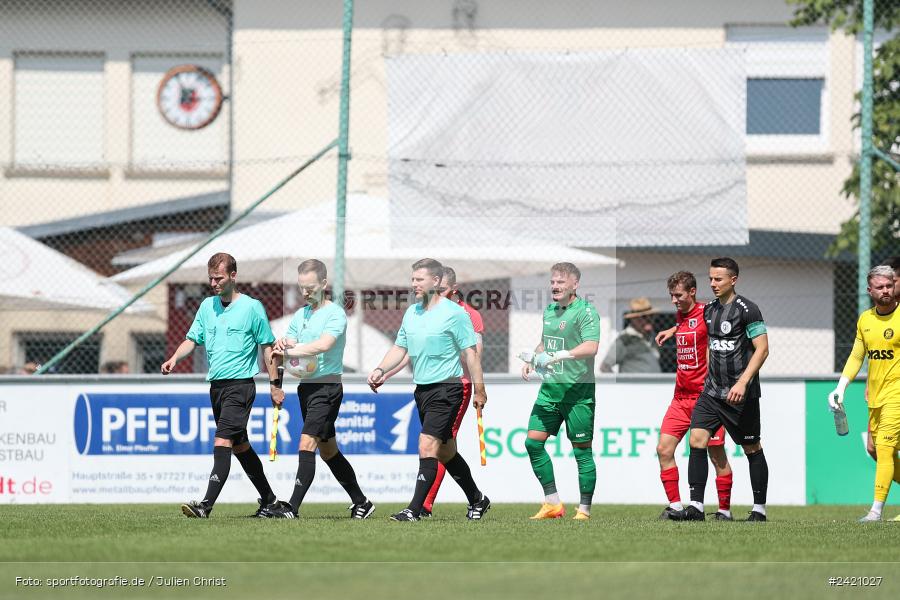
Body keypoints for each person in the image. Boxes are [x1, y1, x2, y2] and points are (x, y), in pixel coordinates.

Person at [161, 252, 285, 519]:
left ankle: (205, 505)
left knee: (223, 439)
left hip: (240, 386)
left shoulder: (252, 307)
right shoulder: (207, 307)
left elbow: (267, 348)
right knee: (241, 447)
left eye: (218, 278)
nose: (214, 283)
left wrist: (275, 384)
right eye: (210, 278)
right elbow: (192, 339)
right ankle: (270, 501)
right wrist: (173, 358)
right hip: (216, 387)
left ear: (233, 276)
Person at [368, 258, 490, 522]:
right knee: (445, 452)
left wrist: (479, 390)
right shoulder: (411, 312)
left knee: (427, 445)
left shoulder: (455, 314)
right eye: (412, 279)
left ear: (436, 281)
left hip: (448, 390)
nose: (414, 284)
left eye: (419, 279)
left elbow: (471, 354)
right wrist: (380, 370)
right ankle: (477, 498)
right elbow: (400, 348)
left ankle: (414, 509)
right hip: (422, 390)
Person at [266, 259, 374, 519]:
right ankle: (362, 502)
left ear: (324, 284)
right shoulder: (301, 315)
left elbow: (324, 344)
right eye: (301, 287)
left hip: (327, 388)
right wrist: (283, 344)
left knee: (307, 444)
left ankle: (291, 508)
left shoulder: (335, 313)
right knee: (328, 451)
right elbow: (291, 340)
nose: (305, 292)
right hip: (307, 388)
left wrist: (292, 349)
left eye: (310, 287)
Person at [685, 257, 769, 522]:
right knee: (696, 440)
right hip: (712, 393)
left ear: (733, 280)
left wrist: (742, 382)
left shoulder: (748, 310)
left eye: (718, 279)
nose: (713, 283)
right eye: (710, 278)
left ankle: (759, 510)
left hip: (740, 395)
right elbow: (711, 346)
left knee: (752, 448)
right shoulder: (709, 310)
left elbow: (763, 349)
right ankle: (696, 507)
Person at [521, 262, 600, 520]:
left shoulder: (586, 312)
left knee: (581, 451)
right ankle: (552, 503)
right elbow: (547, 342)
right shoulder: (550, 311)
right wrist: (533, 358)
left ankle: (584, 510)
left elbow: (591, 346)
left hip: (578, 393)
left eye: (560, 283)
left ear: (574, 285)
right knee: (533, 443)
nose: (555, 287)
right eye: (553, 282)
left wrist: (560, 356)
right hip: (550, 392)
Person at [654, 271, 734, 521]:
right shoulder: (680, 316)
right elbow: (686, 323)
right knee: (664, 449)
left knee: (716, 454)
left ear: (692, 292)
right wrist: (672, 329)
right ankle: (676, 506)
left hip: (706, 397)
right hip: (680, 397)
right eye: (671, 296)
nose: (674, 301)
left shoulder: (710, 311)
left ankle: (724, 511)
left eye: (678, 295)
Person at [829, 265, 900, 522]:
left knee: (884, 448)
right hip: (876, 397)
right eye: (880, 287)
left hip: (897, 395)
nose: (885, 291)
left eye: (889, 286)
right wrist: (841, 386)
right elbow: (857, 355)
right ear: (869, 290)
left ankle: (876, 511)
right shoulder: (865, 320)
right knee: (873, 449)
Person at [865, 257, 900, 462]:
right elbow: (876, 349)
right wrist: (870, 381)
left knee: (886, 445)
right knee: (873, 448)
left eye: (892, 281)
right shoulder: (874, 315)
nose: (888, 287)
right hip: (880, 390)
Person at [600, 298, 661, 373]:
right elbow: (605, 366)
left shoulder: (652, 337)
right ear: (634, 319)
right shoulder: (624, 339)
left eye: (651, 316)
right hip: (635, 384)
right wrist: (618, 384)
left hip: (654, 384)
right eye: (644, 317)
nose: (649, 319)